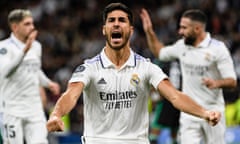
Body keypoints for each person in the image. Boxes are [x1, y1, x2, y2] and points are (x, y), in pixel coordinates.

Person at [46, 3, 221, 144]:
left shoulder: (146, 67)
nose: (116, 23)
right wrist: (56, 114)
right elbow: (71, 95)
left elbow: (175, 96)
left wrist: (204, 113)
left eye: (121, 20)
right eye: (111, 20)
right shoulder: (89, 67)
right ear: (104, 29)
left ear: (130, 30)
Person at [140, 8, 237, 144]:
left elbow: (232, 81)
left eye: (184, 28)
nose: (180, 32)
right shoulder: (182, 46)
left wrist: (217, 83)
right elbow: (159, 53)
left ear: (197, 29)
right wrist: (149, 32)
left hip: (214, 111)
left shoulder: (218, 49)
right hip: (189, 113)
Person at [0, 9, 60, 144]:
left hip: (34, 108)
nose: (32, 27)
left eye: (32, 23)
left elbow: (35, 70)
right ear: (15, 27)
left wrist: (48, 83)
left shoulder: (36, 46)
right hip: (12, 109)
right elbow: (5, 72)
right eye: (27, 24)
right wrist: (24, 51)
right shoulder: (4, 48)